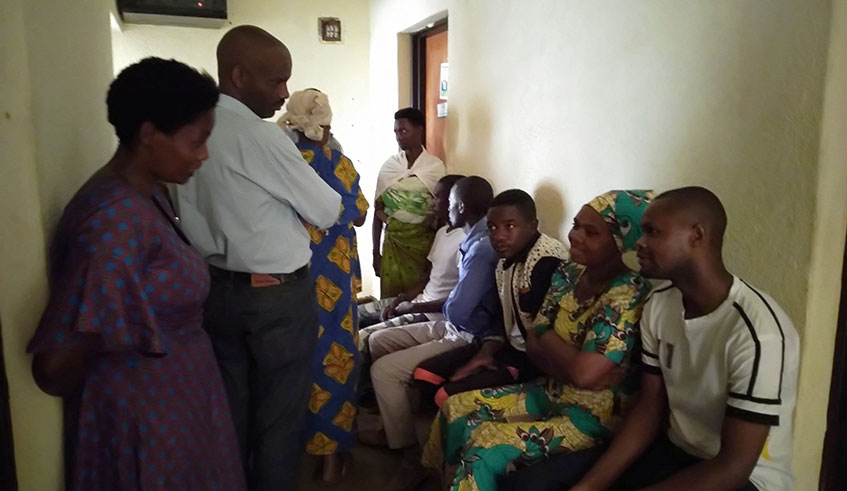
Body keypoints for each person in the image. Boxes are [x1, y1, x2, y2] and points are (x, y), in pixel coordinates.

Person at [27, 57, 246, 490]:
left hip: (176, 401)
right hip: (145, 417)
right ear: (148, 135)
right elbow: (55, 368)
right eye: (196, 141)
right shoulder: (115, 220)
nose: (203, 155)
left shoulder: (148, 195)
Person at [537, 187, 800, 491]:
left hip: (745, 479)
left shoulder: (758, 333)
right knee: (537, 483)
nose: (639, 242)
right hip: (673, 452)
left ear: (697, 236)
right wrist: (589, 487)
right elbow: (650, 407)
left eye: (652, 232)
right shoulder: (660, 303)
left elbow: (734, 467)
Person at [175, 26, 342, 490]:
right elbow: (328, 209)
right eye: (275, 82)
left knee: (231, 416)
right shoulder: (258, 136)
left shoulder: (188, 128)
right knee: (278, 425)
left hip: (214, 293)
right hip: (275, 302)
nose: (284, 94)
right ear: (239, 75)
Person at [422, 190, 655, 491]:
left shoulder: (628, 292)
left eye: (591, 232)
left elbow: (580, 369)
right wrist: (565, 361)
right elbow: (536, 341)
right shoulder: (568, 274)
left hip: (593, 416)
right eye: (576, 225)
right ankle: (436, 478)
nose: (576, 237)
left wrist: (554, 346)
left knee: (486, 442)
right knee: (454, 407)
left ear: (620, 242)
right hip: (551, 389)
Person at [360, 176, 502, 490]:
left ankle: (412, 457)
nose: (442, 208)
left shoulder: (480, 247)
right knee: (379, 340)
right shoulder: (469, 236)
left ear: (461, 207)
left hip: (467, 334)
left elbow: (460, 311)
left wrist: (429, 308)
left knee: (383, 371)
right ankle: (398, 425)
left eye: (448, 202)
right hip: (453, 321)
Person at [276, 89, 369, 483]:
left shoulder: (282, 161)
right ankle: (332, 456)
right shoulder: (337, 162)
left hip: (291, 275)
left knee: (300, 361)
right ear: (325, 126)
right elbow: (360, 213)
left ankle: (302, 450)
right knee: (339, 360)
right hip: (335, 280)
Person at [412, 189, 569, 406]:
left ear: (533, 225)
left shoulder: (546, 262)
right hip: (502, 346)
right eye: (492, 228)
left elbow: (544, 334)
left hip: (531, 360)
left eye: (510, 226)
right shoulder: (504, 261)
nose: (498, 236)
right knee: (424, 374)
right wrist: (485, 353)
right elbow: (501, 318)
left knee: (445, 395)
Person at [357, 174, 466, 348]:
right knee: (356, 314)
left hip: (432, 315)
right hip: (418, 301)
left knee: (363, 338)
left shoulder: (465, 242)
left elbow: (459, 300)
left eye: (438, 197)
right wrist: (400, 299)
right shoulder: (442, 232)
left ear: (454, 202)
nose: (431, 203)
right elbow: (427, 278)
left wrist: (412, 308)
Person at [372, 107, 446, 298]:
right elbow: (377, 210)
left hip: (422, 247)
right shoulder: (390, 166)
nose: (399, 136)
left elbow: (442, 212)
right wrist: (375, 253)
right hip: (393, 245)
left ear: (419, 130)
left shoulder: (435, 167)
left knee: (418, 299)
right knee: (390, 300)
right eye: (396, 132)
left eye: (404, 131)